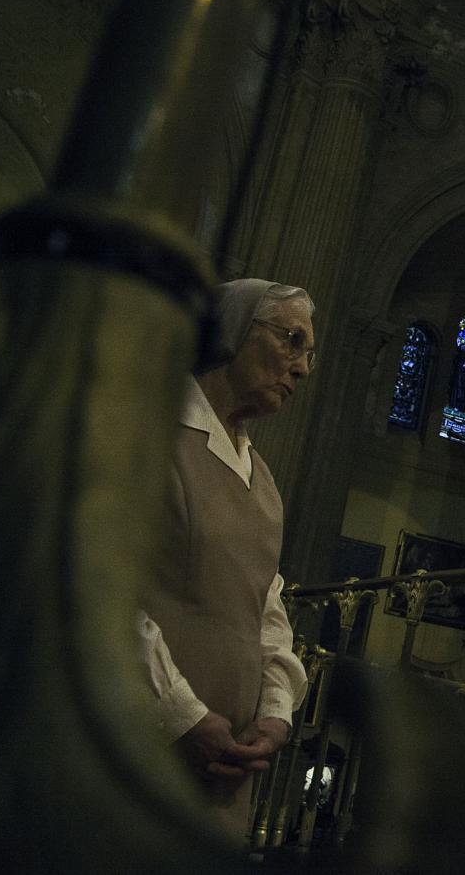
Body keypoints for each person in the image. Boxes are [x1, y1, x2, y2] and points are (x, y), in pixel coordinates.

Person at [138, 279, 313, 839]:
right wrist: (182, 716)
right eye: (291, 340)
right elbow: (100, 592)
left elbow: (267, 613)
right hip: (140, 749)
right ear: (236, 330)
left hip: (225, 770)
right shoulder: (151, 437)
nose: (303, 368)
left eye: (309, 354)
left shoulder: (264, 483)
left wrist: (275, 713)